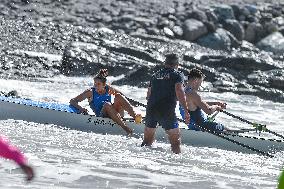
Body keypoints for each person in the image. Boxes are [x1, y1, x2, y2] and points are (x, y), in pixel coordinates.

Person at [142, 54, 190, 154]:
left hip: (151, 109)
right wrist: (186, 110)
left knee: (146, 142)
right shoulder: (178, 74)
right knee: (175, 143)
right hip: (166, 110)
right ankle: (177, 165)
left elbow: (148, 96)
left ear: (165, 63)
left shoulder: (155, 75)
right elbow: (179, 90)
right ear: (177, 64)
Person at [70, 69, 141, 135]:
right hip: (102, 116)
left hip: (114, 113)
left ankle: (135, 117)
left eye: (98, 84)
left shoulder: (108, 88)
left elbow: (122, 96)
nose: (95, 86)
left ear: (104, 85)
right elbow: (73, 101)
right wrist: (81, 108)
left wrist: (131, 102)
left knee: (118, 96)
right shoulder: (90, 92)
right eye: (95, 83)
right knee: (107, 104)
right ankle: (125, 128)